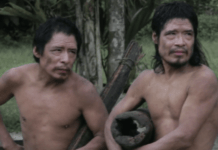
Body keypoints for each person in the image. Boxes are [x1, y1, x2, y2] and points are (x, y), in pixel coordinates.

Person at [105, 1, 218, 150]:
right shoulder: (146, 80)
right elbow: (111, 120)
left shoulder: (203, 79)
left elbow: (184, 137)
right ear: (155, 37)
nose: (180, 42)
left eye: (188, 34)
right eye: (171, 34)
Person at [0, 17, 108, 150]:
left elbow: (103, 135)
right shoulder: (16, 78)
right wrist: (8, 143)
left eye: (72, 52)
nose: (66, 59)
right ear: (37, 51)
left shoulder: (83, 91)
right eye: (57, 50)